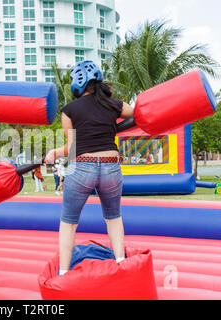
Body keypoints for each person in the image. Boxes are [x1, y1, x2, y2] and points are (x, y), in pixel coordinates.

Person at [45, 60, 134, 275]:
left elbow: (71, 147)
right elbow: (134, 113)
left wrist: (54, 153)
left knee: (68, 221)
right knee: (113, 217)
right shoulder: (113, 104)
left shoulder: (69, 110)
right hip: (111, 166)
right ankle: (121, 262)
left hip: (83, 166)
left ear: (78, 82)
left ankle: (63, 272)